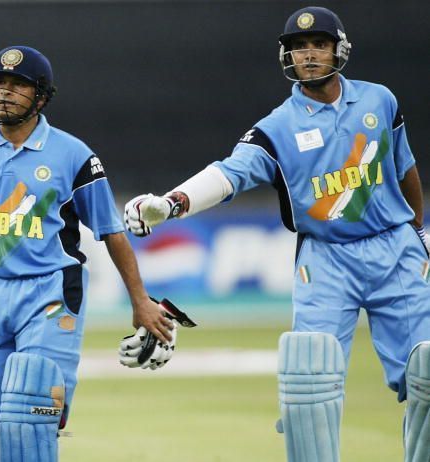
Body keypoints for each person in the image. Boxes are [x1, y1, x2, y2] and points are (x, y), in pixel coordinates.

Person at [124, 6, 430, 462]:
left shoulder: (378, 101)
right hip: (326, 260)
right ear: (287, 56)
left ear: (338, 49)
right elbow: (228, 174)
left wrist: (418, 230)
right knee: (310, 383)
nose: (309, 54)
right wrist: (171, 204)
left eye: (318, 45)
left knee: (427, 372)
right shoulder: (277, 128)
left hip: (395, 249)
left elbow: (405, 169)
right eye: (299, 47)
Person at [0, 45, 175, 462]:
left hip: (51, 291)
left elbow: (112, 232)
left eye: (17, 86)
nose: (4, 93)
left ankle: (48, 414)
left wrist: (140, 300)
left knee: (30, 410)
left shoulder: (74, 155)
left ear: (41, 97)